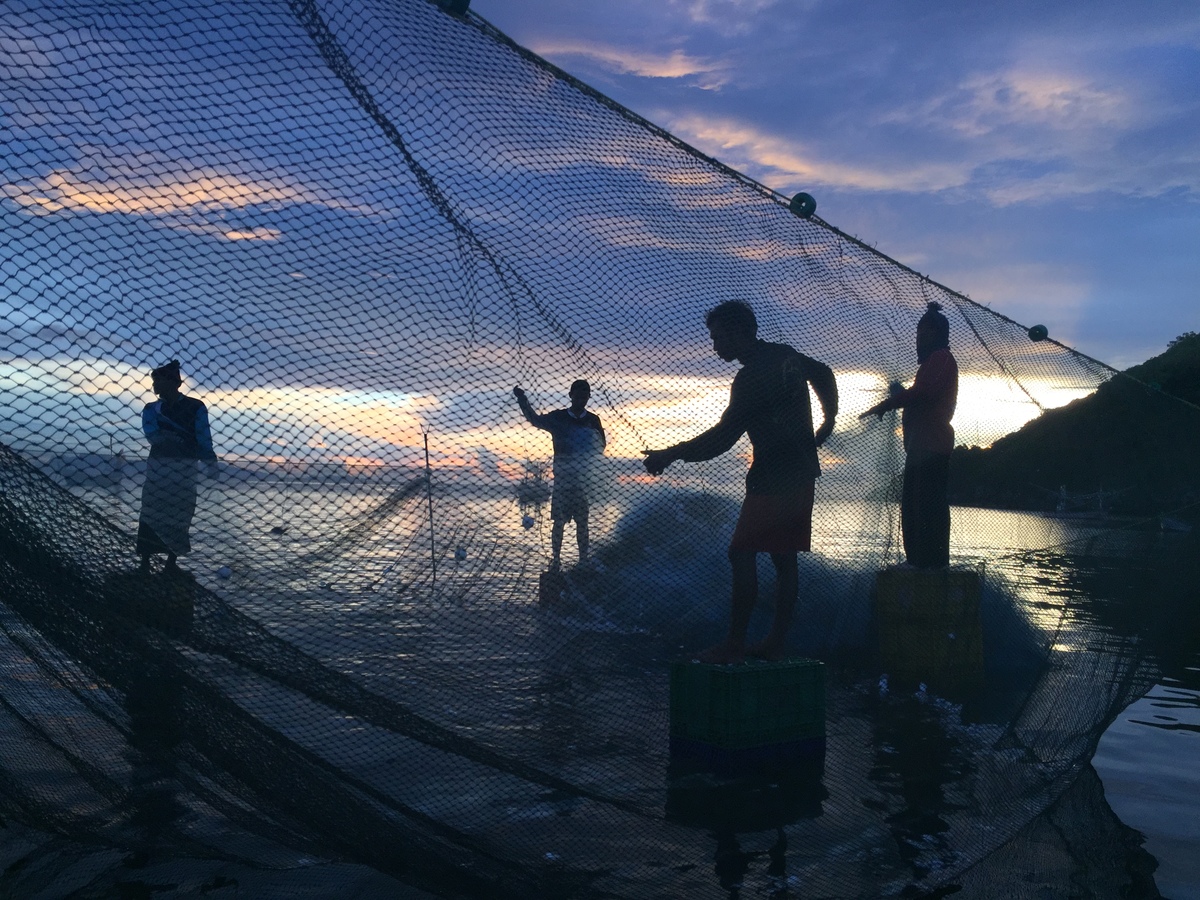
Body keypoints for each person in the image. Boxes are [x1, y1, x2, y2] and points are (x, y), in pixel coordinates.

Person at [643, 301, 838, 664]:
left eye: (719, 337)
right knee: (784, 558)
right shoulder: (785, 355)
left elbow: (722, 438)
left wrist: (670, 454)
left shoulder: (750, 379)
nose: (715, 345)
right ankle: (775, 643)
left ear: (741, 332)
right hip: (803, 471)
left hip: (773, 477)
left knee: (741, 552)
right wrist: (829, 418)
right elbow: (823, 373)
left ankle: (734, 645)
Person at [860, 301, 958, 569]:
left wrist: (887, 403)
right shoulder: (931, 363)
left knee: (925, 508)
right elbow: (921, 394)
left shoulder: (941, 359)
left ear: (936, 333)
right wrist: (899, 394)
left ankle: (928, 564)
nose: (918, 337)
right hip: (920, 450)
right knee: (914, 508)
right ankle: (919, 562)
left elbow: (924, 392)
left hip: (931, 450)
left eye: (923, 331)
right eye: (918, 331)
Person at [513, 380, 606, 570]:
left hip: (583, 482)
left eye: (584, 396)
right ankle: (556, 560)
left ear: (588, 397)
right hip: (563, 480)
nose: (581, 399)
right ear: (570, 395)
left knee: (582, 523)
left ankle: (583, 561)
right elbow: (534, 420)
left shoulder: (593, 420)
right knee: (558, 522)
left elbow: (601, 446)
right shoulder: (558, 418)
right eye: (577, 395)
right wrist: (522, 400)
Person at [137, 360, 217, 573]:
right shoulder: (151, 409)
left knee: (180, 513)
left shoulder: (196, 407)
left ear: (173, 383)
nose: (154, 386)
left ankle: (171, 563)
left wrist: (210, 461)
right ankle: (145, 561)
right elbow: (153, 435)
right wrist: (174, 439)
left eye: (158, 381)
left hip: (184, 471)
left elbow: (203, 437)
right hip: (158, 470)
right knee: (151, 511)